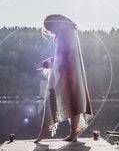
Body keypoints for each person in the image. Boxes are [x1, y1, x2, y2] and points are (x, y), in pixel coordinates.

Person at [34, 14, 93, 143]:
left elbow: (61, 57)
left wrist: (43, 64)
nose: (51, 32)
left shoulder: (64, 32)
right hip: (73, 71)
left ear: (55, 24)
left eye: (50, 29)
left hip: (66, 71)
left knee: (52, 98)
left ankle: (45, 130)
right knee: (74, 99)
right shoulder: (69, 31)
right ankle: (72, 134)